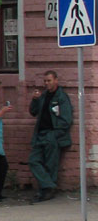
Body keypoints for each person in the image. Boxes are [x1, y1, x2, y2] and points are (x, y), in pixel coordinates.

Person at [28, 70, 73, 203]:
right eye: (45, 81)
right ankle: (49, 186)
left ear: (56, 80)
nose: (47, 83)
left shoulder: (61, 97)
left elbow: (66, 120)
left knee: (51, 164)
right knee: (33, 161)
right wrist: (35, 100)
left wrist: (54, 135)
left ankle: (47, 190)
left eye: (49, 80)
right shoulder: (43, 96)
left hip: (52, 135)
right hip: (40, 134)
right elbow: (33, 112)